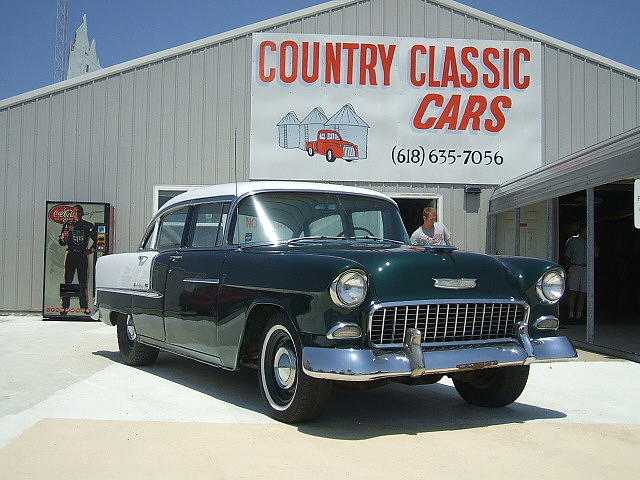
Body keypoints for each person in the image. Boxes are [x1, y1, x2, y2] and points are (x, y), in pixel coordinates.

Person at [58, 205, 96, 314]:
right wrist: (64, 238)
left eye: (79, 211)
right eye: (75, 211)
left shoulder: (87, 225)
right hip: (70, 255)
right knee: (68, 281)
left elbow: (98, 239)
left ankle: (83, 307)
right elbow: (61, 242)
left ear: (82, 213)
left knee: (83, 282)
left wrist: (91, 250)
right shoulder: (68, 225)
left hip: (82, 256)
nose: (77, 213)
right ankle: (65, 307)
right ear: (72, 213)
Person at [563, 222, 597, 324]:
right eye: (586, 229)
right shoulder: (573, 240)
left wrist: (594, 241)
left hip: (586, 268)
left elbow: (596, 254)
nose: (588, 232)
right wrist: (569, 267)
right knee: (573, 292)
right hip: (575, 267)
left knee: (583, 292)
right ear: (582, 230)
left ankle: (579, 315)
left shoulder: (591, 241)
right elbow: (566, 255)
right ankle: (571, 315)